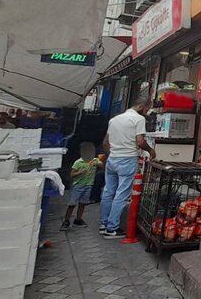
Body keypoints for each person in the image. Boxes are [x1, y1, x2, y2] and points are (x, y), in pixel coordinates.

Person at [99, 97, 154, 239]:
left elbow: (105, 142)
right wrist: (150, 150)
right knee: (122, 194)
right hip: (127, 159)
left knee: (108, 191)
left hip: (112, 159)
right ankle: (112, 228)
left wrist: (111, 156)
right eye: (146, 109)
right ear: (141, 107)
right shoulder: (138, 119)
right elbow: (140, 141)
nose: (146, 112)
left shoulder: (114, 119)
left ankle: (103, 223)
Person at [61, 143, 103, 231]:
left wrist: (98, 163)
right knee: (72, 203)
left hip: (88, 185)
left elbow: (101, 165)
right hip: (78, 186)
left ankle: (78, 219)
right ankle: (66, 221)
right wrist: (80, 172)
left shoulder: (95, 160)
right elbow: (72, 174)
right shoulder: (78, 162)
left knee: (83, 203)